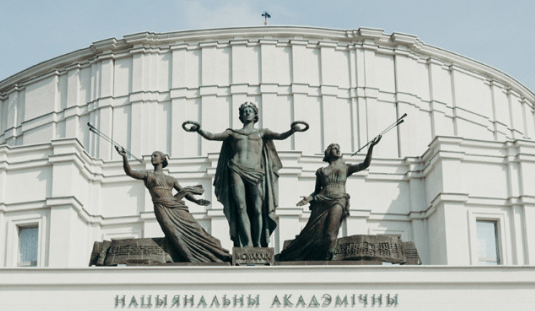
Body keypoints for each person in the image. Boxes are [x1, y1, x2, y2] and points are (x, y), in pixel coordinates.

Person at [181, 102, 309, 248]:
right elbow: (212, 136)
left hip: (256, 172)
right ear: (241, 116)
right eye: (245, 111)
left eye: (250, 111)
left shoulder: (262, 132)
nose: (247, 113)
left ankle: (258, 243)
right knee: (241, 207)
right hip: (236, 169)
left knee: (257, 208)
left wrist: (292, 131)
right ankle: (247, 243)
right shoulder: (233, 133)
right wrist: (199, 130)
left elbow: (280, 136)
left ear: (255, 115)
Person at [114, 145, 231, 264]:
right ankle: (192, 258)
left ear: (162, 159)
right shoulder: (148, 175)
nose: (152, 157)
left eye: (155, 155)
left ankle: (218, 254)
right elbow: (129, 172)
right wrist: (124, 157)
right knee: (173, 233)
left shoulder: (171, 179)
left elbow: (182, 191)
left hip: (175, 205)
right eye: (152, 156)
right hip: (161, 207)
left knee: (196, 229)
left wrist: (196, 201)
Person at [276, 139, 379, 262]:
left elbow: (365, 164)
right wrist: (308, 199)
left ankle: (327, 259)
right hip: (321, 202)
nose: (337, 149)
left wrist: (371, 147)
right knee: (312, 232)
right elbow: (316, 191)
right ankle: (313, 257)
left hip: (338, 200)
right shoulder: (321, 171)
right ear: (328, 152)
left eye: (338, 148)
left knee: (330, 234)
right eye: (334, 147)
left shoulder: (346, 167)